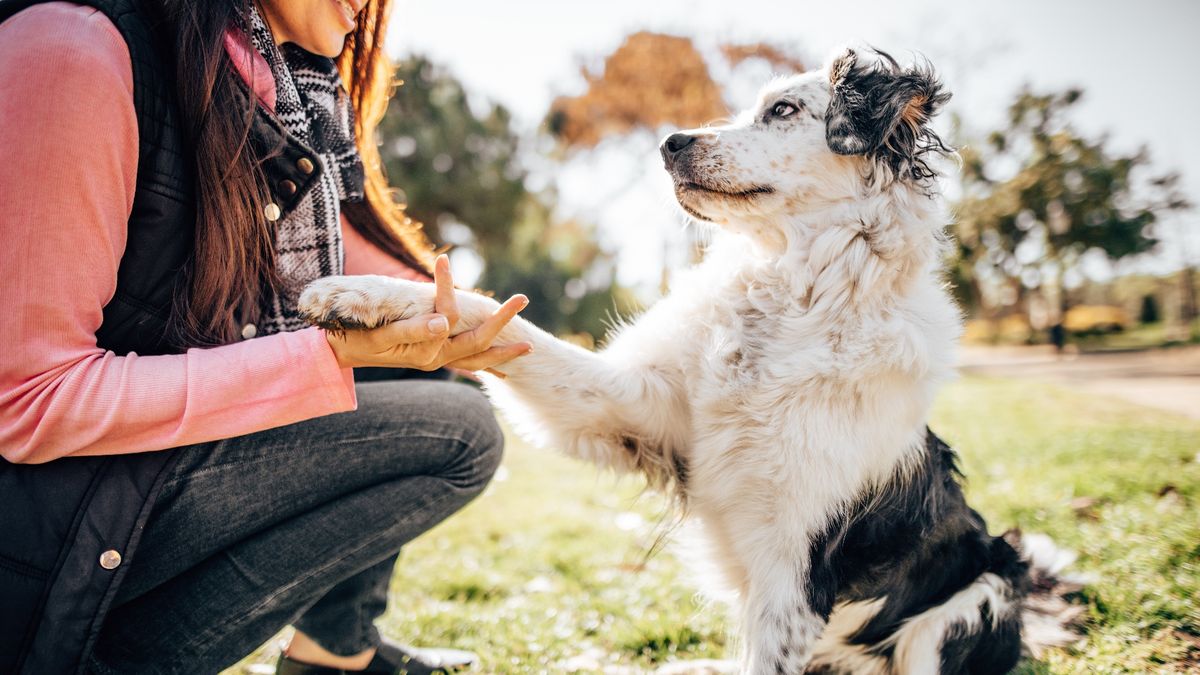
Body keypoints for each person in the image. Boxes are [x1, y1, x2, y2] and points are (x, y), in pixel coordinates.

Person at [0, 0, 533, 673]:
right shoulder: (72, 48)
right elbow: (28, 400)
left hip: (124, 482)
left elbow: (391, 284)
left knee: (419, 363)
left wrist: (554, 360)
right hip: (46, 544)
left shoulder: (279, 96)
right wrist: (325, 357)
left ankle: (335, 653)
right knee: (461, 434)